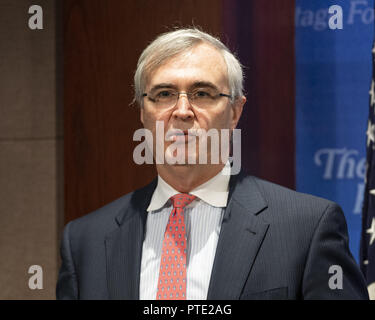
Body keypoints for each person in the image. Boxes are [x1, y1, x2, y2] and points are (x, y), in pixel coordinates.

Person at [56, 28, 369, 300]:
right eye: (163, 94)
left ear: (234, 112)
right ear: (142, 112)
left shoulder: (308, 227)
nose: (181, 111)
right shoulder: (85, 241)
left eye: (202, 93)